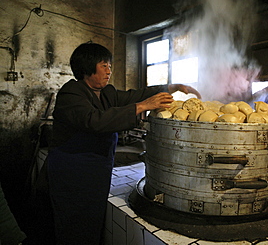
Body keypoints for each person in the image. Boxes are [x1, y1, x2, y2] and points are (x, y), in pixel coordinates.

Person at [47, 42, 201, 245]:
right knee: (73, 224)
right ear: (87, 67)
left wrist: (171, 87)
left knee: (91, 221)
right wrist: (144, 106)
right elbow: (95, 121)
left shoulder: (106, 93)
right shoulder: (71, 93)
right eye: (104, 65)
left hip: (96, 170)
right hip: (73, 173)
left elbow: (134, 95)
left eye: (110, 66)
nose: (109, 71)